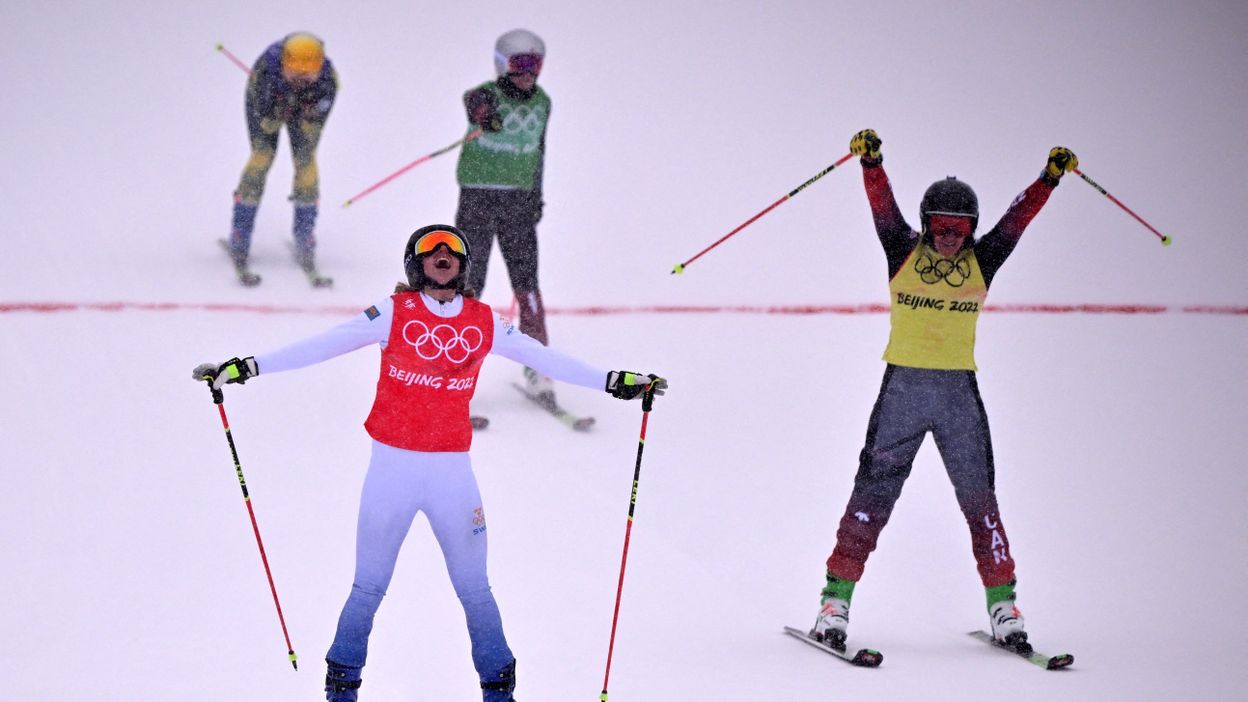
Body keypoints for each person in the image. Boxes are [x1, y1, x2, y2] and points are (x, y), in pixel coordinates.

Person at [193, 224, 666, 702]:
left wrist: (612, 380)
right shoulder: (394, 313)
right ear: (414, 263)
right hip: (391, 473)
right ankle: (341, 692)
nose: (442, 254)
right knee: (368, 587)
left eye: (453, 250)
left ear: (463, 266)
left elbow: (542, 357)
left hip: (451, 475)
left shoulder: (483, 320)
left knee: (475, 590)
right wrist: (247, 367)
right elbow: (323, 344)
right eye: (430, 249)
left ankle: (499, 693)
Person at [810, 129, 1078, 653]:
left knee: (980, 500)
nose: (951, 236)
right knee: (873, 494)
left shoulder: (985, 260)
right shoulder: (901, 250)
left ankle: (1004, 605)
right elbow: (881, 206)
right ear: (926, 224)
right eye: (941, 226)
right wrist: (872, 164)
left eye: (960, 228)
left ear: (971, 230)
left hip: (958, 395)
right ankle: (833, 601)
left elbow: (1016, 221)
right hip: (903, 393)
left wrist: (1049, 178)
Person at [455, 29, 555, 402]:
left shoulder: (543, 102)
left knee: (527, 284)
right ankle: (453, 372)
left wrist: (536, 194)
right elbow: (472, 102)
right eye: (519, 64)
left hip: (518, 201)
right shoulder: (487, 95)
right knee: (469, 284)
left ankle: (538, 367)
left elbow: (540, 151)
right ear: (502, 65)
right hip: (478, 198)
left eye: (535, 64)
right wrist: (485, 113)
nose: (528, 72)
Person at [225, 32, 338, 284]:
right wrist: (276, 110)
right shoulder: (265, 74)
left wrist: (304, 113)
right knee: (261, 158)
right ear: (283, 66)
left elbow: (315, 123)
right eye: (294, 74)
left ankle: (305, 238)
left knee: (306, 163)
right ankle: (240, 236)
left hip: (304, 115)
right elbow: (263, 121)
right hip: (267, 110)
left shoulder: (329, 82)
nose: (301, 81)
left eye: (308, 75)